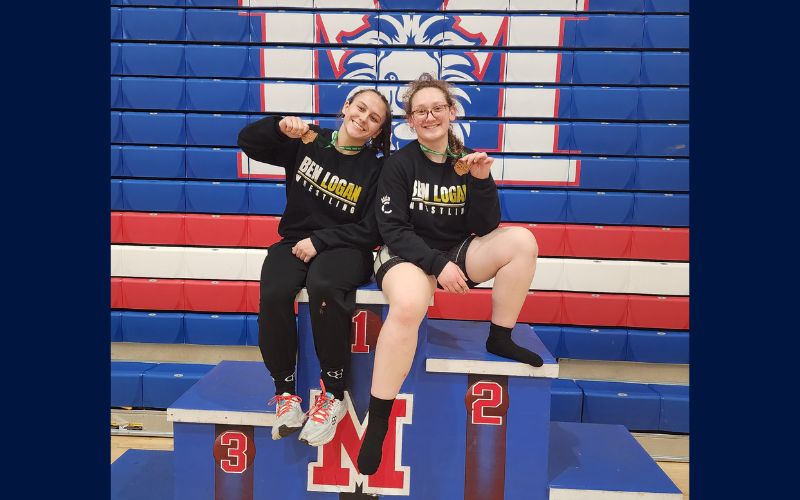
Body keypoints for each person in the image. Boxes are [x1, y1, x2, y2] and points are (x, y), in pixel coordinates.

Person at [356, 74, 543, 474]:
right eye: (420, 111)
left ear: (452, 112)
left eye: (437, 108)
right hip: (406, 253)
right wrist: (436, 265)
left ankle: (500, 337)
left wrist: (482, 181)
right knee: (409, 304)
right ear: (410, 120)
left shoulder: (467, 159)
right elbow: (393, 230)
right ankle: (379, 420)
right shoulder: (399, 164)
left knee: (522, 241)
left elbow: (485, 225)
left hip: (455, 250)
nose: (430, 116)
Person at [237, 89, 390, 447]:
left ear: (378, 130)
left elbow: (373, 229)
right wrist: (278, 127)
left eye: (374, 118)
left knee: (324, 286)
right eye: (360, 108)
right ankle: (285, 394)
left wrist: (321, 241)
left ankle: (333, 394)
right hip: (295, 240)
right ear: (346, 107)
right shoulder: (310, 140)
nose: (363, 119)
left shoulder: (377, 167)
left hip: (347, 247)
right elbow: (248, 142)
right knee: (275, 291)